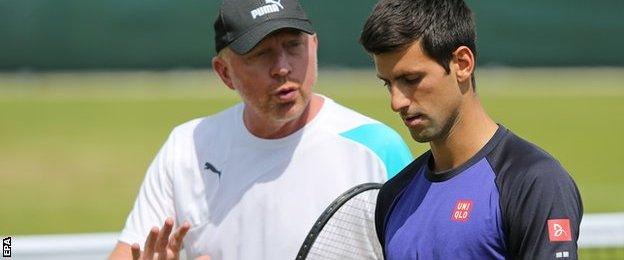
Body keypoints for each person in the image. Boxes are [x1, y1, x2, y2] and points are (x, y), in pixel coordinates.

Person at [109, 0, 413, 259]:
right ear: (224, 73)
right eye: (261, 53)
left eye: (294, 46)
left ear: (314, 47)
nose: (282, 66)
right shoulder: (186, 147)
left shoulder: (376, 148)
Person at [359, 0, 583, 259]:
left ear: (462, 64)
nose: (396, 102)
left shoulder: (534, 182)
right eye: (388, 84)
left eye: (411, 80)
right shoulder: (394, 196)